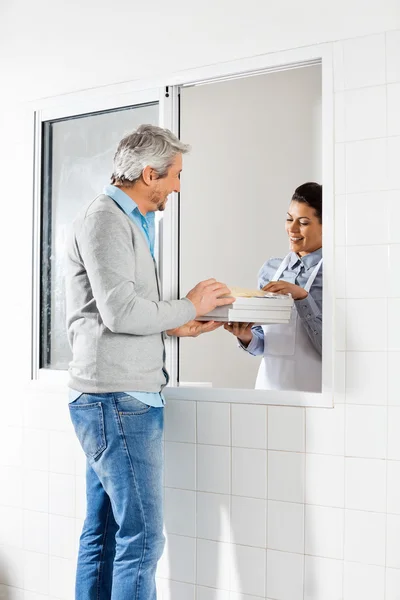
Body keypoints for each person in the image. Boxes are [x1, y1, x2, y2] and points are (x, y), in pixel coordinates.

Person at [65, 124, 233, 600]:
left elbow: (119, 309)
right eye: (175, 176)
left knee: (105, 531)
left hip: (115, 396)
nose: (177, 187)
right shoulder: (106, 220)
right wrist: (191, 304)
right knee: (141, 539)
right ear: (147, 173)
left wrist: (175, 324)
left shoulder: (130, 221)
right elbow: (121, 312)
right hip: (117, 400)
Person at [224, 182, 322, 392]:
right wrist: (246, 336)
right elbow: (263, 344)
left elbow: (333, 351)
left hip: (316, 395)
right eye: (289, 219)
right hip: (268, 392)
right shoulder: (271, 269)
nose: (292, 229)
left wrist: (302, 297)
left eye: (303, 222)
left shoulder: (334, 275)